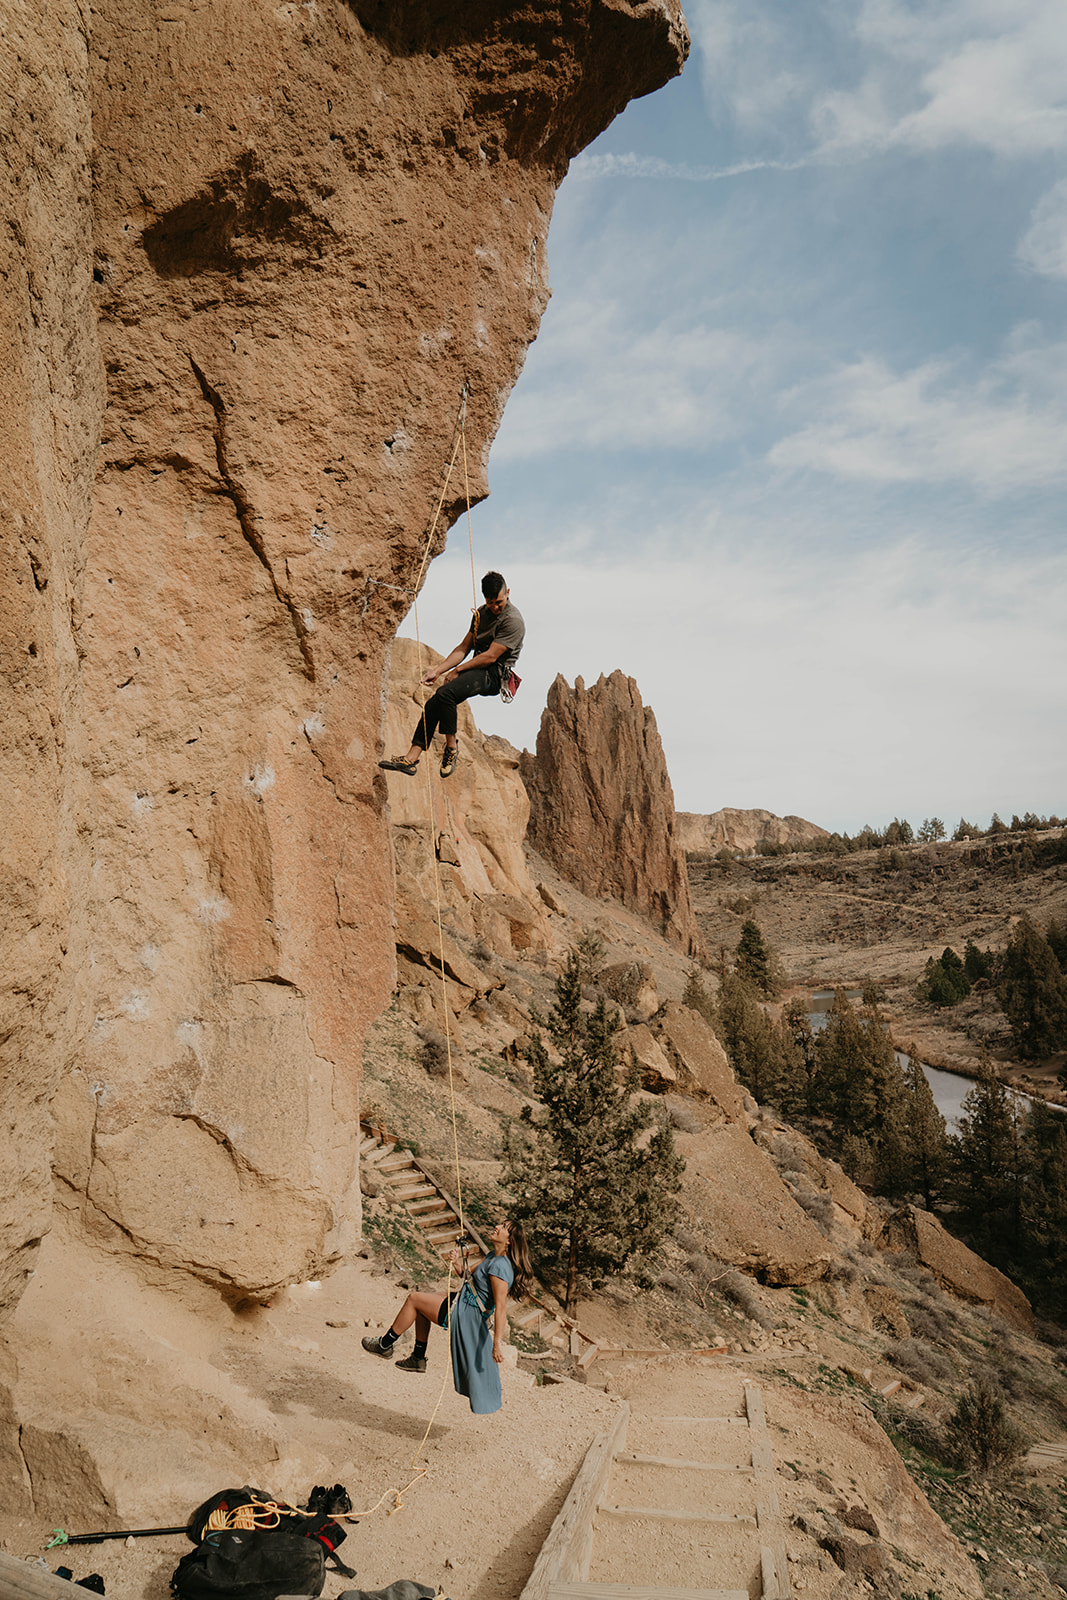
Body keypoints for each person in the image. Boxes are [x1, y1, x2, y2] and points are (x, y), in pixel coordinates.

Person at [361, 1218, 532, 1414]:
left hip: (467, 1313)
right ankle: (417, 1357)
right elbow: (465, 1274)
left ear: (509, 1240)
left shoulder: (501, 1267)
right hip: (462, 1300)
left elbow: (501, 1308)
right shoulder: (492, 1256)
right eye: (500, 1224)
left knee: (414, 1299)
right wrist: (456, 1262)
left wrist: (496, 1343)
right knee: (425, 1302)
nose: (497, 1227)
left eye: (503, 1228)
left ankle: (384, 1345)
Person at [379, 571, 524, 779]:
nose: (495, 607)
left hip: (494, 675)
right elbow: (463, 647)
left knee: (446, 694)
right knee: (434, 701)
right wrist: (437, 671)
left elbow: (491, 656)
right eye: (491, 602)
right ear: (485, 599)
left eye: (499, 602)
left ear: (507, 593)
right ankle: (411, 759)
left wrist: (457, 670)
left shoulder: (513, 621)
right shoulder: (481, 614)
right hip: (478, 668)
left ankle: (451, 750)